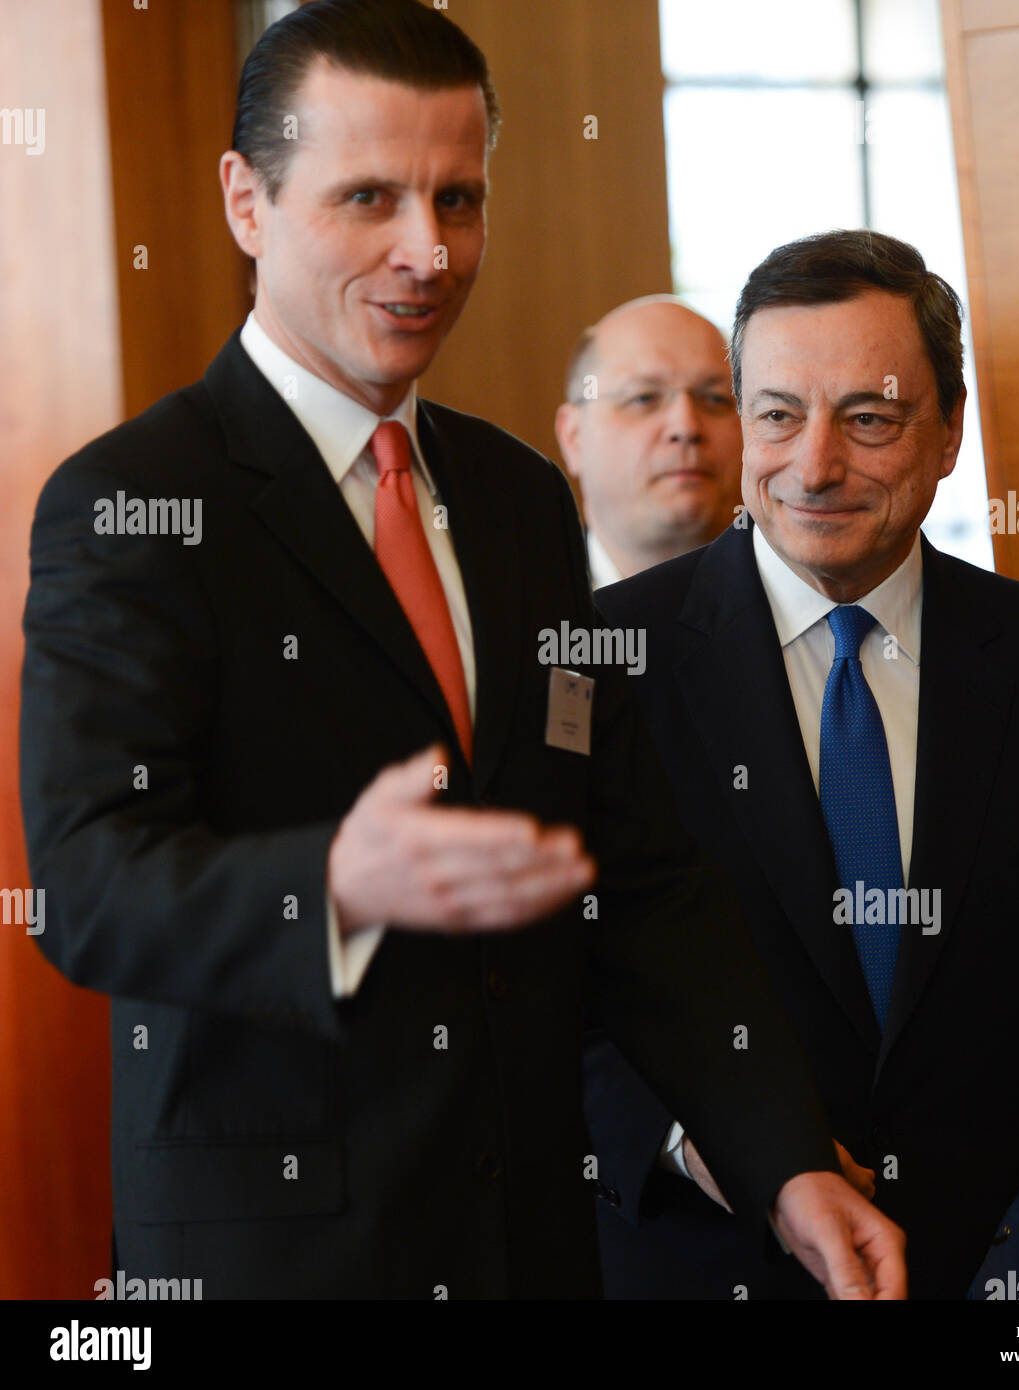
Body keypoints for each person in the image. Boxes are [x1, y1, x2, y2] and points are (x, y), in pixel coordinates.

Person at [19, 3, 904, 1300]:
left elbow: (641, 873)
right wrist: (334, 880)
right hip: (281, 1253)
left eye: (458, 198)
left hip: (533, 1240)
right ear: (245, 201)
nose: (427, 251)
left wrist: (781, 1160)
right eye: (369, 197)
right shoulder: (137, 499)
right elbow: (87, 883)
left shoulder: (513, 500)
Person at [585, 230, 1019, 1300]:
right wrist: (695, 1139)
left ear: (949, 430)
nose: (814, 465)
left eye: (868, 419)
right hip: (695, 1262)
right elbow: (547, 992)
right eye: (776, 415)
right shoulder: (601, 661)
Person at [555, 298, 741, 588]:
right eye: (644, 398)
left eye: (715, 398)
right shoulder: (518, 607)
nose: (686, 427)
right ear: (574, 436)